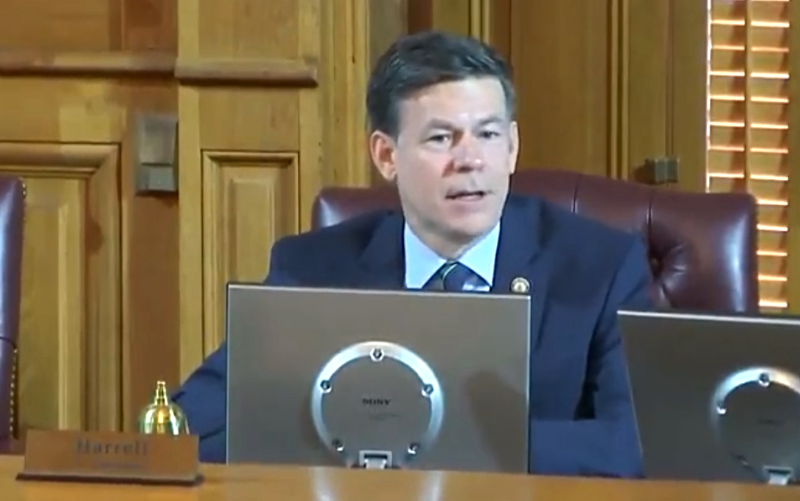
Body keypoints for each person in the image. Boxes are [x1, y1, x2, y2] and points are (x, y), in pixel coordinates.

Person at [172, 30, 653, 478]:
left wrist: (441, 440)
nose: (470, 160)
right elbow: (195, 422)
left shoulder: (601, 269)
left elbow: (635, 446)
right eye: (441, 138)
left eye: (488, 135)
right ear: (386, 156)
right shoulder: (313, 269)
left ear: (511, 148)